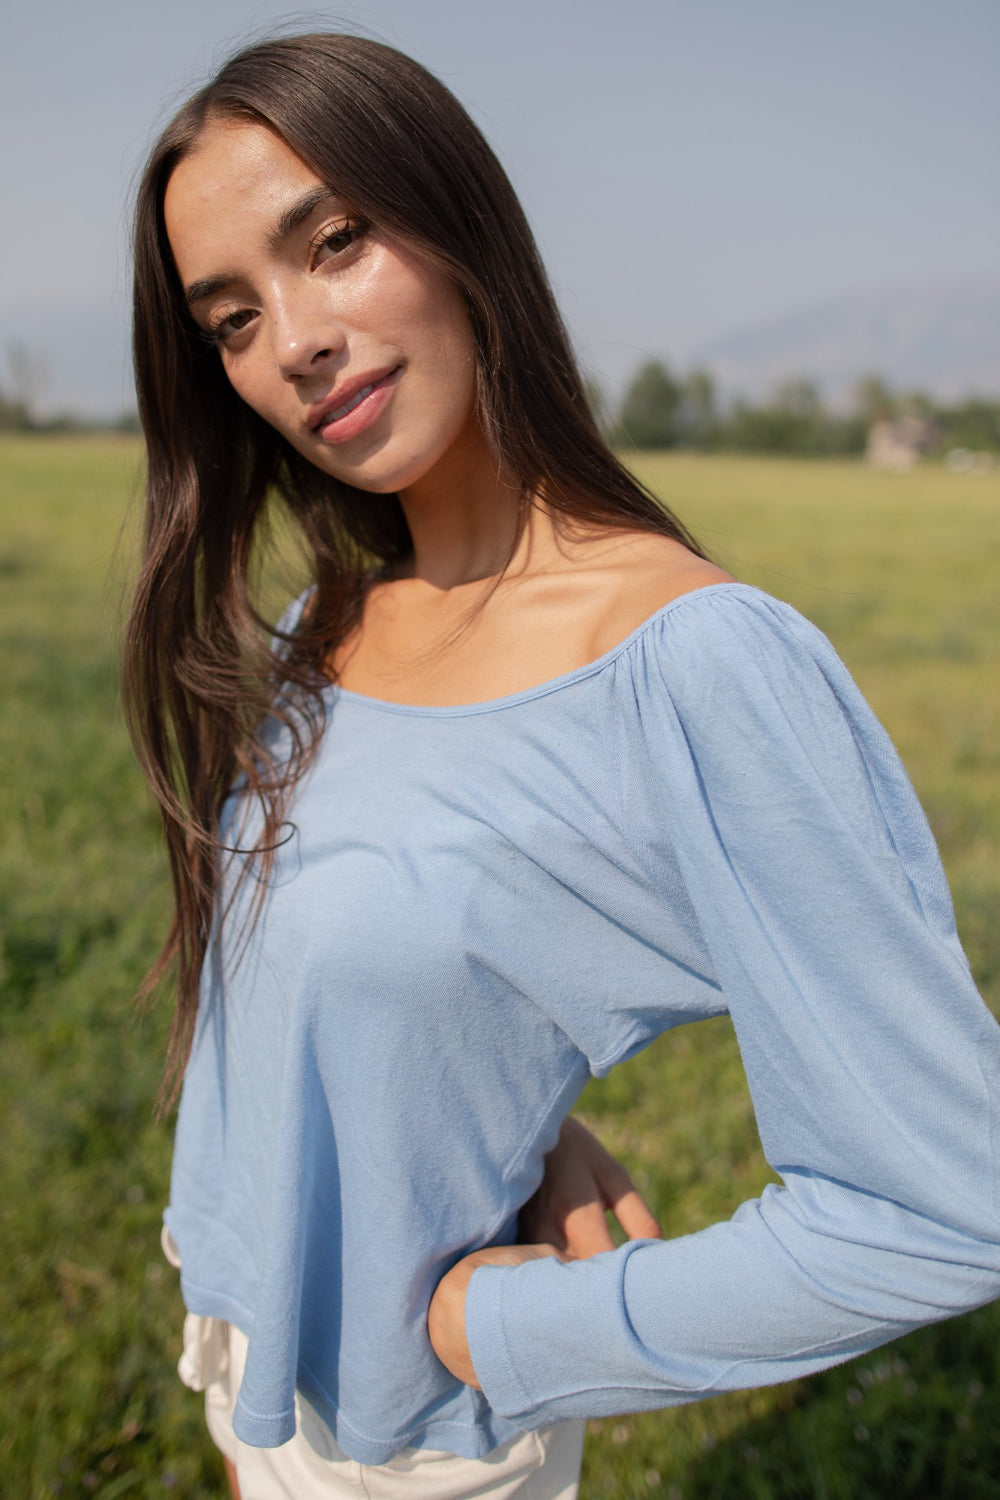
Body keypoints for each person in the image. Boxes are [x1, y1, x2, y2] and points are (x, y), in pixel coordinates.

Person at [124, 31, 1000, 1500]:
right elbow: (378, 948)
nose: (292, 343)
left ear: (461, 220)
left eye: (333, 243)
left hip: (408, 1436)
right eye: (229, 317)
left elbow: (945, 1201)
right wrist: (501, 1109)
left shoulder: (700, 663)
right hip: (242, 1327)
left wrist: (517, 1327)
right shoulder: (321, 617)